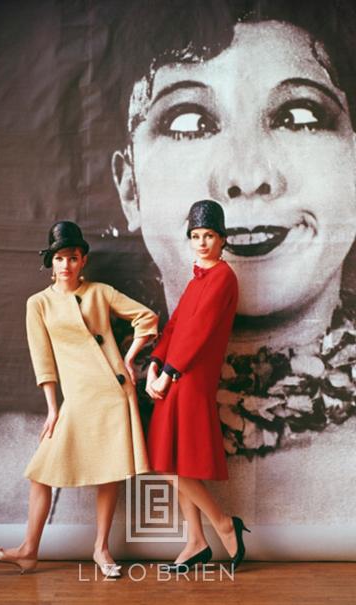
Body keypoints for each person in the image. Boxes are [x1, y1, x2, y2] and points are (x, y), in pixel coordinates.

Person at [109, 0, 356, 455]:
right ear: (130, 190)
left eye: (299, 117)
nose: (246, 177)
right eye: (190, 122)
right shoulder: (5, 477)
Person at [0, 220, 158, 575]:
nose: (66, 265)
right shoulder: (39, 304)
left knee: (110, 472)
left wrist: (128, 358)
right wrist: (52, 409)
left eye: (73, 258)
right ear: (51, 262)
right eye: (59, 258)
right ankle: (29, 548)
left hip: (112, 392)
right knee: (41, 473)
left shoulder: (100, 292)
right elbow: (42, 359)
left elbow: (147, 318)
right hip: (76, 398)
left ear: (83, 261)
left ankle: (101, 549)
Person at [145, 199, 250, 572]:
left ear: (222, 240)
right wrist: (154, 363)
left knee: (172, 464)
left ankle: (223, 524)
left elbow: (199, 333)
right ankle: (195, 541)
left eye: (209, 236)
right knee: (175, 461)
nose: (202, 242)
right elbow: (174, 328)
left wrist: (167, 373)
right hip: (175, 374)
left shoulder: (222, 277)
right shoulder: (196, 279)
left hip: (190, 379)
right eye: (195, 236)